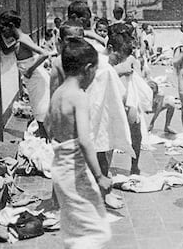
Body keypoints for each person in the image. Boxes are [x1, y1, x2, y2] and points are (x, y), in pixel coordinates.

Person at [45, 37, 112, 248]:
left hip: (59, 165)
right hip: (75, 168)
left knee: (75, 223)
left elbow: (48, 125)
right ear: (89, 69)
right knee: (95, 229)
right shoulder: (79, 96)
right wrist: (100, 176)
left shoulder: (57, 94)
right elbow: (84, 141)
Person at [0, 10, 50, 139]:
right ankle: (45, 143)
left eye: (3, 27)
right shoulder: (17, 42)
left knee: (41, 115)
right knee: (39, 114)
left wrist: (30, 70)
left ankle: (46, 145)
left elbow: (44, 54)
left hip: (37, 80)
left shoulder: (23, 39)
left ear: (11, 25)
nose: (2, 31)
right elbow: (5, 50)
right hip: (32, 82)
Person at [108, 32, 144, 175]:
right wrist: (118, 71)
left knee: (136, 133)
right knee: (109, 137)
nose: (120, 57)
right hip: (112, 101)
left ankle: (134, 165)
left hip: (128, 101)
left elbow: (139, 81)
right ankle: (105, 168)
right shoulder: (108, 61)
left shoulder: (132, 60)